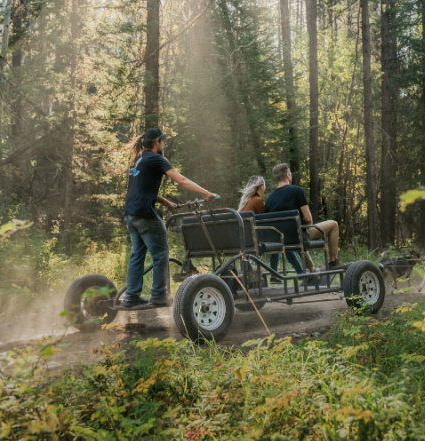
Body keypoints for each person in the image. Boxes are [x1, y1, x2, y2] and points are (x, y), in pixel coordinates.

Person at [123, 128, 218, 308]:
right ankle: (159, 296)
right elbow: (181, 180)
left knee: (137, 255)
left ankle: (131, 297)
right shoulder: (157, 159)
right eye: (163, 141)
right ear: (157, 141)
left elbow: (142, 190)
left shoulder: (138, 160)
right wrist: (207, 193)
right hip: (144, 214)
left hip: (130, 214)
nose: (164, 144)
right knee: (160, 253)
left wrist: (167, 203)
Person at [265, 163, 346, 271]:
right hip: (297, 236)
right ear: (288, 175)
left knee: (297, 233)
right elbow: (308, 219)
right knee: (333, 225)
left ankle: (312, 268)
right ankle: (332, 261)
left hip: (280, 239)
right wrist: (305, 229)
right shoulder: (297, 190)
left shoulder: (269, 199)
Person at [238, 175, 304, 276]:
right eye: (264, 185)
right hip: (255, 240)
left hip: (245, 239)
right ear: (261, 186)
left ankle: (277, 275)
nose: (265, 187)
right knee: (280, 239)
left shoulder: (246, 202)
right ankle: (300, 273)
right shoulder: (258, 201)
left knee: (276, 238)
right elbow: (267, 221)